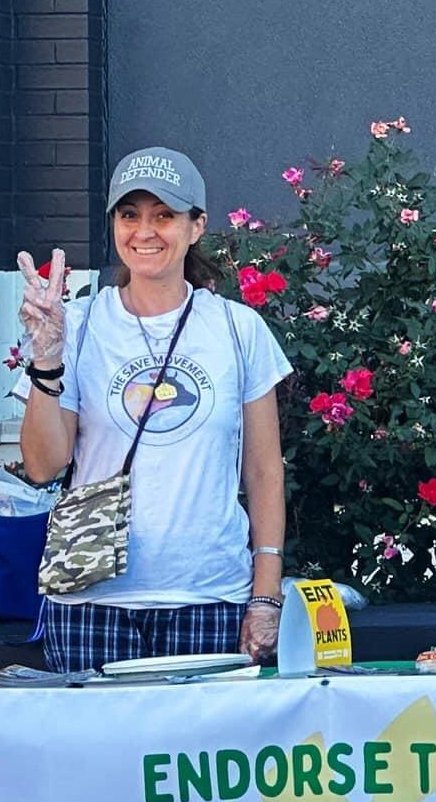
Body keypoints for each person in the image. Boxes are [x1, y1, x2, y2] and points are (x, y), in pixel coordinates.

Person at [15, 146, 292, 673]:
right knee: (95, 757)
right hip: (92, 601)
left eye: (164, 216)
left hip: (207, 597)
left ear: (196, 227)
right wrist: (46, 359)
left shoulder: (237, 329)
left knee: (199, 758)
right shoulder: (78, 324)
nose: (145, 232)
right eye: (130, 215)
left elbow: (263, 471)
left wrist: (265, 595)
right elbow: (43, 465)